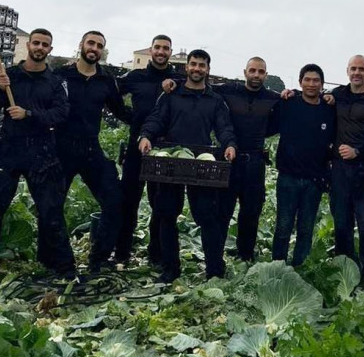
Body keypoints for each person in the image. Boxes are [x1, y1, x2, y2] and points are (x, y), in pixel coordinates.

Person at [0, 28, 75, 277]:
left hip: (42, 155)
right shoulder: (10, 77)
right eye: (36, 43)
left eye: (45, 45)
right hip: (8, 152)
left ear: (50, 50)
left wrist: (28, 114)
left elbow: (61, 115)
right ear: (29, 45)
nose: (40, 48)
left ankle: (65, 270)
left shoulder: (55, 83)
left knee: (51, 214)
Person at [138, 49, 237, 282]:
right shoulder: (171, 95)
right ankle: (170, 268)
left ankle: (214, 269)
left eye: (202, 65)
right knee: (166, 214)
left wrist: (230, 144)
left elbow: (224, 127)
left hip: (201, 163)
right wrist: (146, 136)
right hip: (171, 160)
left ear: (208, 69)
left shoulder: (214, 100)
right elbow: (156, 119)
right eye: (193, 64)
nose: (197, 69)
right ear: (186, 67)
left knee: (207, 216)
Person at [54, 30, 131, 273]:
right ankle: (61, 262)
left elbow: (122, 112)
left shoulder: (106, 81)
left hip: (91, 150)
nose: (94, 48)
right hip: (61, 149)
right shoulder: (61, 76)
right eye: (91, 43)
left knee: (115, 202)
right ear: (81, 45)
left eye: (99, 45)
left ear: (102, 51)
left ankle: (97, 260)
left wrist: (154, 126)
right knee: (52, 207)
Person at [116, 34, 178, 265]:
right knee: (128, 202)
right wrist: (130, 118)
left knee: (160, 204)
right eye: (157, 47)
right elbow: (112, 96)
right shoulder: (136, 77)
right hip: (136, 149)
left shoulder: (177, 79)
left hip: (163, 150)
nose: (161, 52)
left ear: (170, 52)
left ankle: (155, 255)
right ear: (151, 50)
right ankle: (121, 253)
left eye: (166, 48)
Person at [329, 54, 364, 295]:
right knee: (342, 226)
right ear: (347, 71)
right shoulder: (338, 96)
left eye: (361, 69)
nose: (357, 73)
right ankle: (346, 281)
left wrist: (358, 151)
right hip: (340, 172)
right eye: (353, 68)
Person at [213, 57, 280, 262]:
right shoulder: (228, 90)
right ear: (245, 72)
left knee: (251, 212)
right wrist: (174, 82)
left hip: (255, 162)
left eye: (260, 72)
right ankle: (215, 257)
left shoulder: (273, 98)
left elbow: (287, 111)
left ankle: (245, 256)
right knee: (222, 211)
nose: (256, 75)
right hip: (229, 159)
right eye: (252, 71)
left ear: (265, 75)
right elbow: (199, 84)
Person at [269, 64, 336, 266]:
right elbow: (268, 121)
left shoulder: (328, 110)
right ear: (300, 82)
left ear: (322, 84)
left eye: (316, 80)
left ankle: (300, 267)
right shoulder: (288, 104)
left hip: (314, 180)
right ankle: (278, 267)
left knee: (306, 229)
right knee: (283, 226)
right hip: (288, 177)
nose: (311, 84)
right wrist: (285, 94)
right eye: (307, 80)